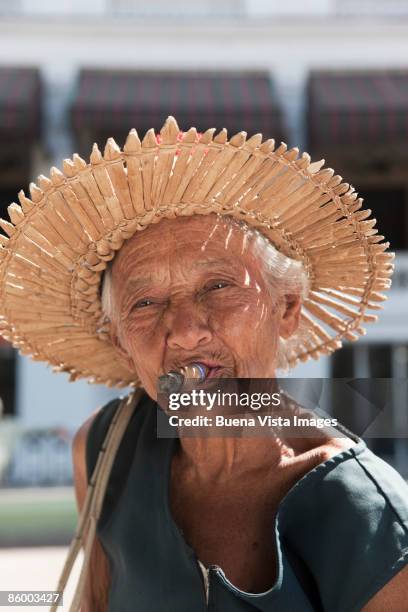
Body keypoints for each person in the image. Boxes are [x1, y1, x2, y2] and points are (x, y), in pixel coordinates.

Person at [0, 117, 406, 611]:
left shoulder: (368, 515)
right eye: (145, 303)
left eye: (218, 286)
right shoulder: (107, 447)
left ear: (286, 308)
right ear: (122, 343)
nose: (187, 330)